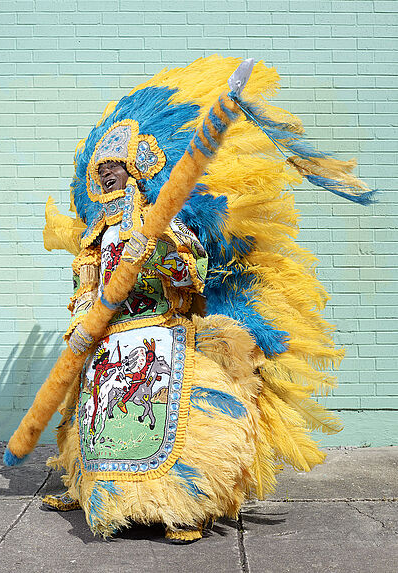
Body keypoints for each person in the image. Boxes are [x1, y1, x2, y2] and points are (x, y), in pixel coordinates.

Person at [40, 55, 374, 543]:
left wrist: (157, 259)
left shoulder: (162, 224)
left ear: (136, 169)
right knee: (99, 425)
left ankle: (182, 508)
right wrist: (82, 320)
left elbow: (190, 275)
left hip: (163, 334)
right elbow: (84, 291)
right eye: (101, 169)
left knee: (173, 424)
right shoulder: (94, 237)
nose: (108, 176)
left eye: (115, 168)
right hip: (109, 343)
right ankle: (113, 501)